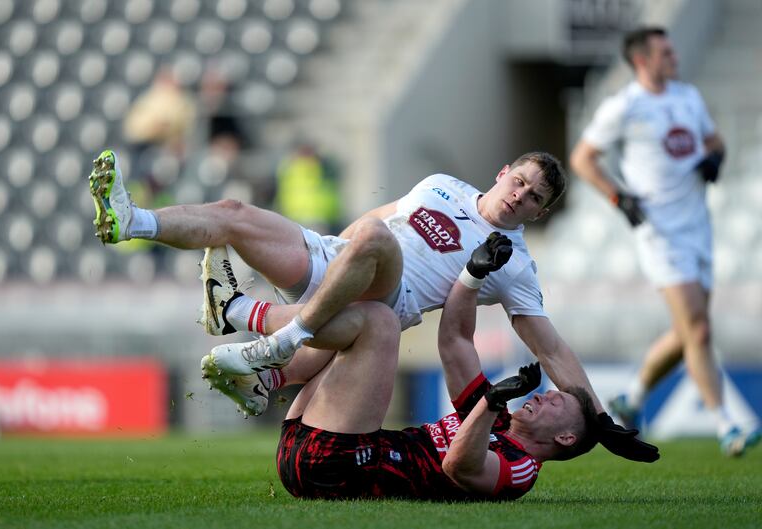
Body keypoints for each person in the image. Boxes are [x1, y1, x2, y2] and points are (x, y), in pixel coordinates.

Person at [88, 148, 658, 463]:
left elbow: (549, 345)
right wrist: (326, 256)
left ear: (538, 214)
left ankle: (259, 332)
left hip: (387, 294)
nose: (521, 197)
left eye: (535, 199)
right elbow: (374, 220)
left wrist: (599, 418)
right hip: (340, 258)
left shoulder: (513, 263)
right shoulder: (440, 184)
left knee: (379, 244)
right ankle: (132, 221)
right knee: (236, 213)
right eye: (521, 183)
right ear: (502, 172)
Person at [271, 235, 599, 500]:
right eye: (551, 395)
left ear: (566, 437)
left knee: (382, 320)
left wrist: (491, 401)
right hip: (306, 446)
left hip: (337, 467)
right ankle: (267, 375)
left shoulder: (521, 469)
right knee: (372, 304)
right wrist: (472, 274)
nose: (543, 397)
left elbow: (458, 466)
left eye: (555, 402)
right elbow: (456, 341)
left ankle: (246, 318)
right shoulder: (496, 418)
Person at [569, 26, 760, 457]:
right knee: (700, 328)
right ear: (641, 60)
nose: (673, 57)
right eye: (665, 52)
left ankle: (633, 396)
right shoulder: (625, 106)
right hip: (660, 232)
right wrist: (619, 197)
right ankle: (728, 424)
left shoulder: (687, 97)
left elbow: (713, 140)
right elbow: (582, 158)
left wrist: (715, 157)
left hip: (699, 226)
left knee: (687, 331)